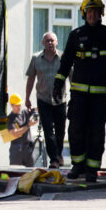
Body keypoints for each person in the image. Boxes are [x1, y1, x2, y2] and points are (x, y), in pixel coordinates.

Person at [53, 0, 106, 183]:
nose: (92, 14)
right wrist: (57, 83)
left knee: (96, 133)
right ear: (84, 13)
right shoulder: (75, 35)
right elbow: (65, 62)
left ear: (101, 13)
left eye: (95, 11)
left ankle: (92, 170)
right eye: (89, 11)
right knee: (76, 130)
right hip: (78, 95)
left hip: (99, 96)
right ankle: (77, 166)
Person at [25, 32, 67, 169]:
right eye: (47, 41)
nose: (50, 43)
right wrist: (27, 98)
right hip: (43, 100)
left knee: (60, 131)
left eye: (52, 41)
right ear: (43, 43)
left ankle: (59, 152)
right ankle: (54, 159)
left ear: (57, 42)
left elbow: (72, 76)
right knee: (48, 131)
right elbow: (31, 79)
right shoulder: (36, 58)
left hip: (60, 100)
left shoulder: (63, 58)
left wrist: (76, 95)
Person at [6, 93, 38, 167]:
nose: (19, 107)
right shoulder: (10, 119)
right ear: (11, 105)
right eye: (17, 105)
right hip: (17, 150)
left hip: (28, 149)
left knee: (30, 173)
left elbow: (36, 109)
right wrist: (28, 125)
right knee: (16, 173)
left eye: (19, 104)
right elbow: (15, 133)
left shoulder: (25, 113)